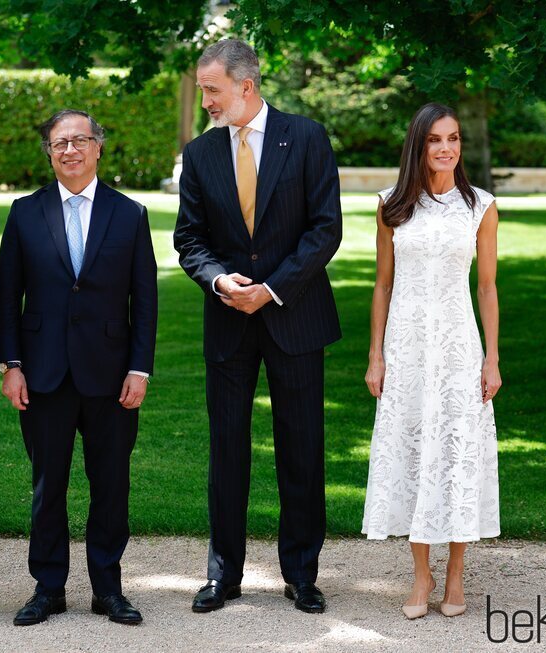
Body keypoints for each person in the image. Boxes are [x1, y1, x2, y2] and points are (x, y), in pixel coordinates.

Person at [173, 39, 343, 614]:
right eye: (202, 90)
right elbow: (188, 239)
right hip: (227, 323)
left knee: (302, 450)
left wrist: (270, 290)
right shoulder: (199, 155)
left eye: (212, 89)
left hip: (295, 317)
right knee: (226, 452)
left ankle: (301, 573)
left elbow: (325, 231)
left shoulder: (309, 138)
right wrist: (222, 282)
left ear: (246, 86)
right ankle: (224, 574)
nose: (206, 101)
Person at [0, 109, 158, 626]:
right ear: (49, 151)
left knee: (111, 485)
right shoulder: (24, 213)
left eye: (80, 141)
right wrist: (11, 364)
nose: (70, 150)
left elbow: (146, 299)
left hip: (112, 377)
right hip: (42, 374)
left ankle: (108, 588)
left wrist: (140, 368)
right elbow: (7, 298)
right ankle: (48, 588)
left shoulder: (129, 214)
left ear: (98, 147)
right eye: (60, 143)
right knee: (49, 486)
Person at [361, 102, 502, 619]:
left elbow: (487, 288)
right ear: (418, 145)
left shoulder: (481, 206)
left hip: (460, 347)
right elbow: (382, 284)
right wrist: (376, 356)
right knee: (414, 453)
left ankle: (457, 576)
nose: (447, 148)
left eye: (455, 138)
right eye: (436, 140)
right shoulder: (391, 206)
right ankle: (421, 576)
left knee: (458, 453)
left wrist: (491, 358)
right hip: (406, 348)